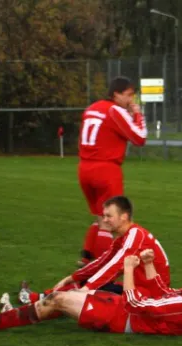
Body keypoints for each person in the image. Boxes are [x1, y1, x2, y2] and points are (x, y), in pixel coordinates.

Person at [0, 250, 182, 336]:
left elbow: (136, 304)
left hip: (122, 318)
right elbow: (165, 292)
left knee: (59, 299)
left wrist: (128, 268)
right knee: (61, 298)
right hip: (121, 310)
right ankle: (3, 318)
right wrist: (148, 264)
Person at [17, 196, 170, 305]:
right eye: (104, 216)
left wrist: (87, 288)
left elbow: (116, 265)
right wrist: (71, 277)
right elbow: (102, 262)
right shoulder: (124, 237)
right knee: (86, 286)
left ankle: (35, 300)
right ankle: (39, 299)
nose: (104, 220)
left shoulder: (136, 234)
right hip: (136, 290)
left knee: (87, 295)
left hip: (148, 297)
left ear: (124, 216)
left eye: (109, 216)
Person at [78, 76, 148, 266]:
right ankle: (102, 267)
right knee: (110, 222)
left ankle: (86, 257)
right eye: (128, 95)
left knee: (100, 217)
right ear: (116, 94)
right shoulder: (115, 110)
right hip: (106, 169)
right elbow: (139, 138)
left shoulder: (92, 108)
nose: (131, 101)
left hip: (84, 167)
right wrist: (138, 115)